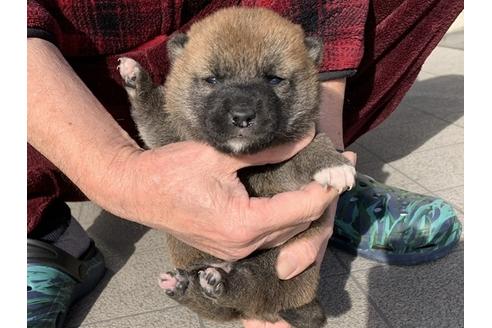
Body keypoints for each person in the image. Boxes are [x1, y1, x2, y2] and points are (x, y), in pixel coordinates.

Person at [27, 1, 463, 327]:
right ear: (178, 62)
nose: (242, 108)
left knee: (280, 271)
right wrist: (119, 170)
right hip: (60, 66)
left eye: (273, 80)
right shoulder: (181, 93)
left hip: (288, 205)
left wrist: (327, 163)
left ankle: (331, 198)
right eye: (213, 80)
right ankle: (38, 230)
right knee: (209, 274)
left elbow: (321, 19)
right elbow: (160, 134)